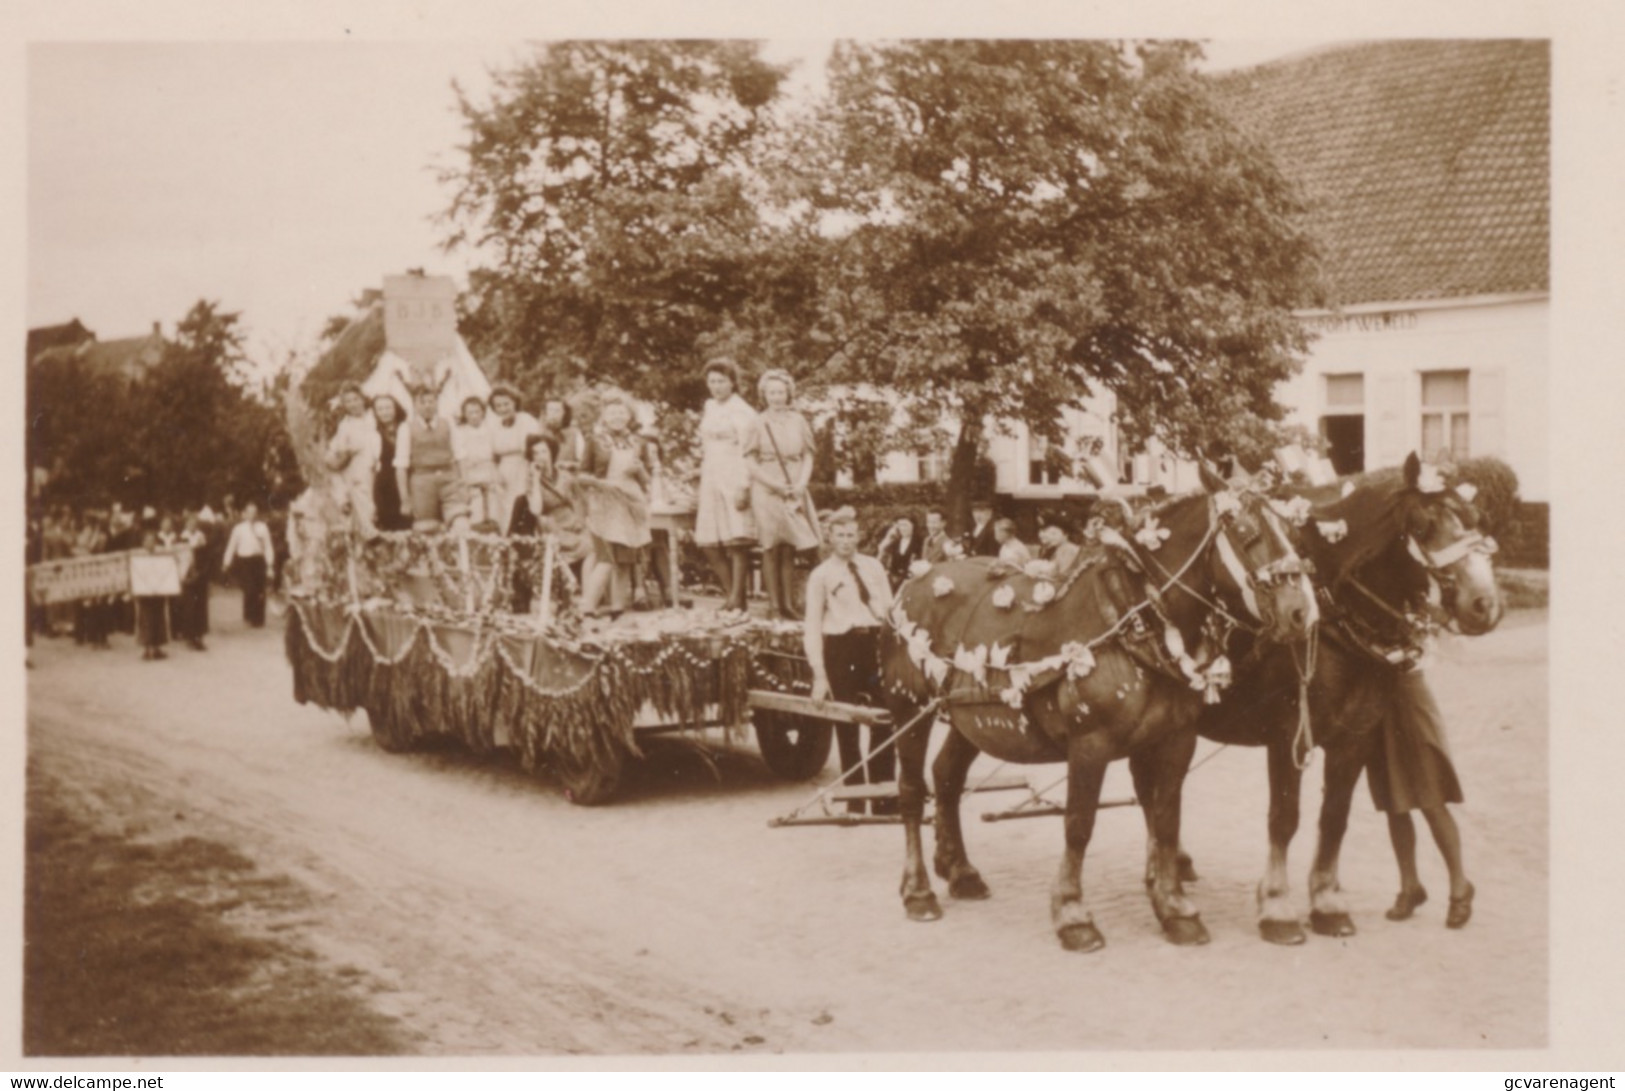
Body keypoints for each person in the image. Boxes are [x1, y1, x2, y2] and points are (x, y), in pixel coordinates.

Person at [804, 507, 897, 815]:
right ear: (830, 539)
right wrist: (819, 675)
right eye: (840, 535)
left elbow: (890, 608)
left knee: (884, 719)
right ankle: (855, 800)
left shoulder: (873, 567)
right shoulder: (821, 575)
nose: (846, 541)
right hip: (841, 649)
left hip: (874, 644)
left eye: (851, 535)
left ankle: (884, 797)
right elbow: (813, 626)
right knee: (848, 726)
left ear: (859, 536)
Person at [1371, 669, 1475, 929]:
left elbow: (1421, 644)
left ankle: (1460, 887)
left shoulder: (1416, 626)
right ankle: (1410, 887)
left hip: (1409, 693)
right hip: (1373, 695)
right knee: (1395, 803)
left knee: (1431, 798)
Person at [742, 369, 820, 620]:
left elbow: (808, 454)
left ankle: (788, 604)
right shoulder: (757, 422)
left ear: (789, 393)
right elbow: (751, 461)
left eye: (781, 392)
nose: (776, 397)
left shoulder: (798, 421)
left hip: (794, 484)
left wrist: (801, 483)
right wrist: (773, 484)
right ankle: (774, 605)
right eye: (771, 392)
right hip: (767, 487)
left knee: (789, 547)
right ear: (764, 395)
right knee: (771, 546)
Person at [574, 394, 652, 617]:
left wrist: (639, 470)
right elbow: (581, 476)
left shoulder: (639, 443)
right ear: (604, 417)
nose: (617, 417)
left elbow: (647, 481)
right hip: (604, 500)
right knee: (606, 557)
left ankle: (618, 608)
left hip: (630, 501)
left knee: (626, 559)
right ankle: (587, 607)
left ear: (629, 416)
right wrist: (601, 483)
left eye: (621, 412)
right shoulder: (595, 441)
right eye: (612, 413)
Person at [693, 358, 758, 614]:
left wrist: (744, 485)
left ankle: (735, 601)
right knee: (708, 541)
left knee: (736, 540)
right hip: (711, 477)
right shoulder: (710, 406)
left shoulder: (742, 411)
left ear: (733, 383)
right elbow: (709, 445)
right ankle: (734, 595)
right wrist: (699, 469)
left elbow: (748, 451)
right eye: (712, 381)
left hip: (735, 476)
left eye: (722, 381)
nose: (716, 387)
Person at [394, 385, 469, 534]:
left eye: (431, 401)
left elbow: (460, 456)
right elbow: (401, 466)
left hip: (449, 479)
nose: (428, 406)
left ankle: (460, 557)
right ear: (415, 405)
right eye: (423, 402)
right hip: (422, 482)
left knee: (461, 523)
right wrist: (405, 499)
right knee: (426, 530)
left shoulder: (448, 423)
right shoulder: (406, 428)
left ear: (437, 403)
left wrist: (464, 484)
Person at [326, 381, 381, 537]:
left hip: (379, 469)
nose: (353, 404)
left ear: (363, 398)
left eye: (355, 399)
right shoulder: (345, 426)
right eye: (348, 401)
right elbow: (332, 459)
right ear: (343, 405)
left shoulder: (374, 416)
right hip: (360, 474)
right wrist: (346, 455)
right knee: (368, 513)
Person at [488, 384, 540, 533]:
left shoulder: (526, 420)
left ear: (514, 403)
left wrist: (531, 475)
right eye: (498, 405)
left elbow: (533, 450)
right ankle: (507, 545)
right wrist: (496, 474)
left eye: (506, 404)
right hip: (504, 473)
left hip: (524, 468)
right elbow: (493, 456)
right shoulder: (494, 425)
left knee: (523, 506)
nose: (503, 408)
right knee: (504, 512)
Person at [223, 501, 276, 628]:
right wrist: (226, 562)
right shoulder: (239, 529)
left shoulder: (262, 527)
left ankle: (258, 619)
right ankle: (249, 615)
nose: (252, 515)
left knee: (260, 590)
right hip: (245, 562)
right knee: (249, 588)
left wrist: (270, 563)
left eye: (254, 512)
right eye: (250, 512)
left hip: (259, 560)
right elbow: (231, 546)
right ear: (245, 514)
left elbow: (268, 546)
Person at [454, 395, 501, 531]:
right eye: (470, 412)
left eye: (477, 412)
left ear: (483, 412)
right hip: (470, 475)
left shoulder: (491, 430)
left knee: (494, 513)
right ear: (464, 414)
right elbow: (459, 459)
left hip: (490, 474)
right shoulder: (460, 432)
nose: (474, 416)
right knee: (475, 514)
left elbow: (495, 454)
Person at [370, 394, 412, 532]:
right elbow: (373, 466)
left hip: (408, 481)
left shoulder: (407, 428)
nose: (384, 412)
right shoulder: (374, 433)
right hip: (386, 486)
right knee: (390, 527)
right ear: (375, 412)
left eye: (388, 408)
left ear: (396, 408)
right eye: (380, 409)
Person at [133, 528, 173, 661]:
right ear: (143, 543)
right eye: (147, 541)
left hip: (158, 590)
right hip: (144, 592)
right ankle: (147, 648)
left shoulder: (161, 555)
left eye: (152, 541)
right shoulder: (138, 556)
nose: (150, 543)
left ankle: (156, 647)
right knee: (145, 619)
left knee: (159, 618)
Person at [177, 510, 209, 650]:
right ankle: (189, 636)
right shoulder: (181, 537)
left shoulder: (201, 537)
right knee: (189, 607)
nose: (192, 525)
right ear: (186, 524)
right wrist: (183, 575)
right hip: (186, 576)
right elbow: (179, 559)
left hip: (199, 576)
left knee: (200, 607)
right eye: (190, 523)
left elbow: (206, 558)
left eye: (195, 523)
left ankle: (199, 637)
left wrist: (201, 573)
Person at [876, 514, 922, 591]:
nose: (903, 528)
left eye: (905, 525)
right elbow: (882, 559)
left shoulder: (920, 542)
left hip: (911, 583)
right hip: (893, 582)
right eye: (900, 525)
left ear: (913, 525)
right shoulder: (894, 543)